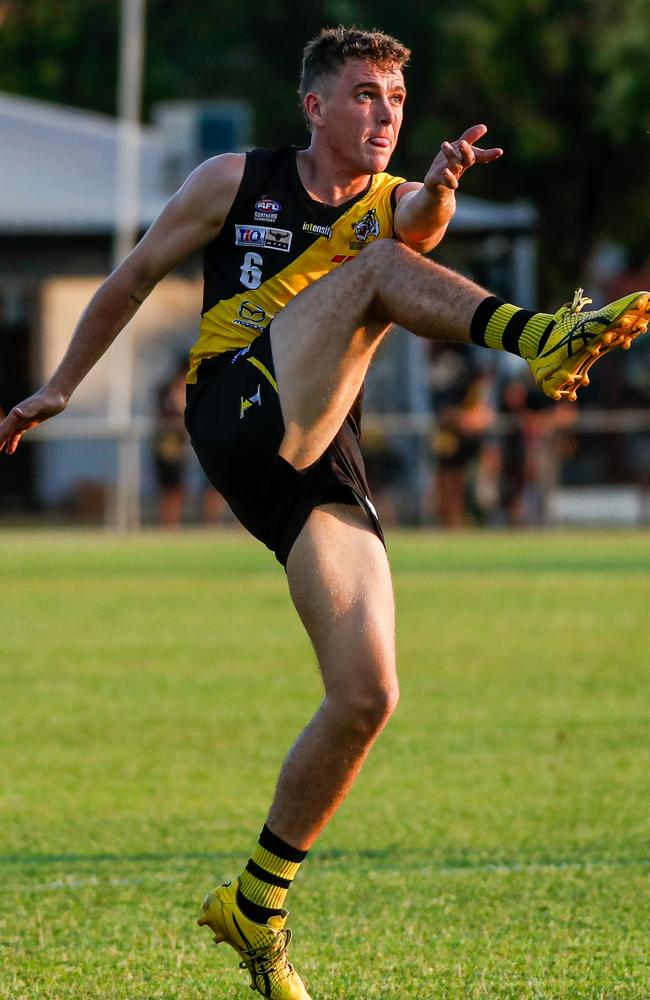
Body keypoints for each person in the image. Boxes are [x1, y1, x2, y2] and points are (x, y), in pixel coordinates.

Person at [1, 26, 648, 1000]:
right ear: (313, 107)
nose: (382, 114)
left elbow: (420, 233)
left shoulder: (394, 206)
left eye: (393, 98)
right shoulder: (236, 181)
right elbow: (134, 276)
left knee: (366, 694)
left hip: (313, 452)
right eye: (361, 95)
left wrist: (441, 184)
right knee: (375, 274)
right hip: (232, 404)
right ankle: (543, 337)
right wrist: (57, 385)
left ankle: (255, 907)